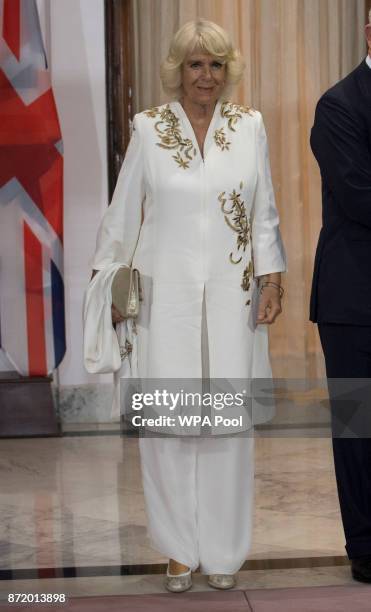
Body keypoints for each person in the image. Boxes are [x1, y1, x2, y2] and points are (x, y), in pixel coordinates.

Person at [90, 19, 286, 592]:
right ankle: (178, 549)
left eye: (217, 64)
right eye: (196, 64)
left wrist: (272, 279)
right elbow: (122, 214)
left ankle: (224, 552)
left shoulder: (250, 127)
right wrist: (110, 282)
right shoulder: (149, 129)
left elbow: (264, 211)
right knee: (171, 427)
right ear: (178, 71)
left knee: (228, 427)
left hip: (234, 298)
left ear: (229, 72)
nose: (207, 76)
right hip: (164, 301)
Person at [310, 12, 371, 583]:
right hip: (355, 304)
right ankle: (367, 548)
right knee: (359, 428)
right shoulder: (339, 105)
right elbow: (358, 196)